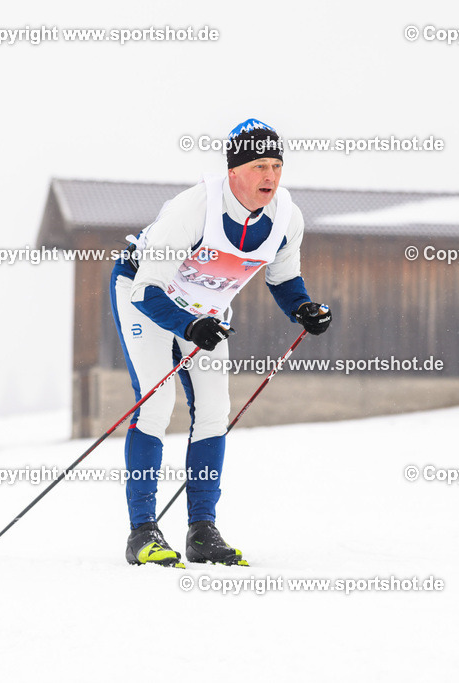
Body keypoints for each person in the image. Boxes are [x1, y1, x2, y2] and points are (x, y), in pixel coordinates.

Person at [109, 118, 332, 567]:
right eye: (258, 166)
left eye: (276, 165)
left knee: (213, 410)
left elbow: (284, 277)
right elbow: (147, 290)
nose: (270, 176)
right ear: (233, 171)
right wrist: (188, 327)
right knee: (155, 402)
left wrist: (303, 308)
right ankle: (142, 533)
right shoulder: (193, 209)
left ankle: (202, 531)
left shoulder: (287, 217)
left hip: (205, 310)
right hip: (143, 295)